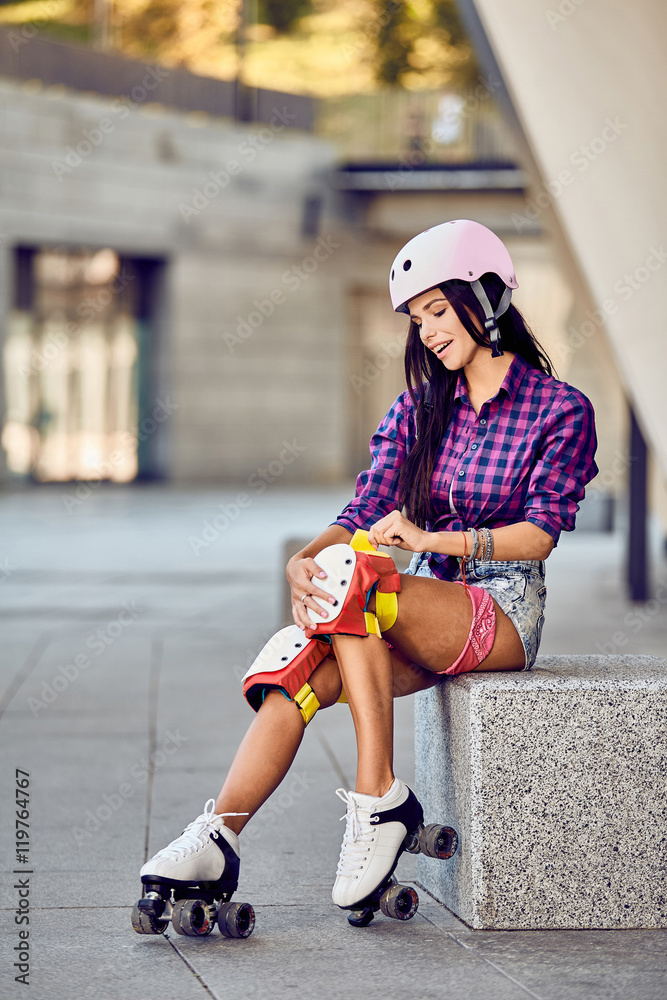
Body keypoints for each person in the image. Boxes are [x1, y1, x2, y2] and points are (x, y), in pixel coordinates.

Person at [135, 219, 598, 932]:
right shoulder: (421, 407)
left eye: (438, 311)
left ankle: (376, 798)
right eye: (418, 321)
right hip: (413, 608)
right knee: (297, 667)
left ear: (486, 298)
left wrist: (429, 537)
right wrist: (304, 559)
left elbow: (537, 537)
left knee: (364, 581)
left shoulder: (557, 409)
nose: (429, 334)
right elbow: (363, 509)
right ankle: (218, 838)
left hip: (500, 612)